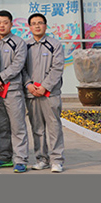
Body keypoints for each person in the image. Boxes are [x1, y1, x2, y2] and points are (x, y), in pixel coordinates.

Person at [23, 12, 65, 173]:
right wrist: (28, 84)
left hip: (50, 93)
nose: (37, 26)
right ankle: (42, 159)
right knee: (37, 128)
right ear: (29, 27)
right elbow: (21, 68)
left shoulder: (54, 44)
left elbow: (57, 67)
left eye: (40, 23)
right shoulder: (25, 46)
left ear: (46, 26)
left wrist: (45, 86)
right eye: (34, 23)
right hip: (32, 93)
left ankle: (57, 160)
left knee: (54, 127)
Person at [0, 10, 30, 173]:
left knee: (17, 126)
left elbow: (18, 64)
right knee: (1, 126)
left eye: (5, 22)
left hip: (12, 90)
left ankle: (20, 159)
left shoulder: (18, 42)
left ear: (11, 24)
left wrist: (0, 78)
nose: (2, 25)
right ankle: (5, 157)